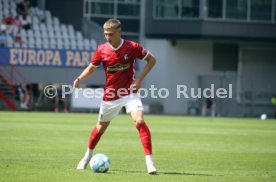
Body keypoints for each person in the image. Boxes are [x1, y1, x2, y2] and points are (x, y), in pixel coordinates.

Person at [73, 18, 157, 174]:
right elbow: (92, 68)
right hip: (110, 96)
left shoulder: (132, 47)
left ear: (119, 32)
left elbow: (152, 60)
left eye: (110, 34)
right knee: (100, 128)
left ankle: (150, 162)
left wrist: (139, 79)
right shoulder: (101, 50)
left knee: (139, 121)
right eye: (105, 34)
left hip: (130, 93)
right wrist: (80, 78)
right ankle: (87, 156)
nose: (107, 37)